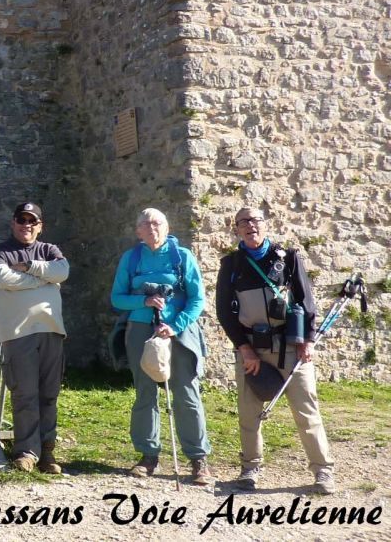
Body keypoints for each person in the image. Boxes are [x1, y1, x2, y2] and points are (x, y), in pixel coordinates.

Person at [215, 207, 335, 494]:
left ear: (265, 225)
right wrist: (244, 348)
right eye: (243, 221)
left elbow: (306, 302)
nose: (250, 226)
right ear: (236, 229)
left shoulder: (289, 258)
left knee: (307, 412)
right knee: (249, 413)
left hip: (292, 349)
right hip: (252, 351)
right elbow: (224, 312)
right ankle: (249, 469)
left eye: (255, 220)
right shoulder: (231, 265)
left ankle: (323, 471)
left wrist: (307, 340)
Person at [110, 208, 213, 486]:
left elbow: (196, 299)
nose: (152, 227)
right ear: (138, 232)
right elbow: (117, 298)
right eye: (145, 224)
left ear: (166, 228)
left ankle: (197, 458)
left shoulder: (183, 257)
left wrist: (175, 326)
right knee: (145, 393)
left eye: (157, 223)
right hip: (140, 331)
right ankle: (147, 455)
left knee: (186, 392)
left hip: (177, 332)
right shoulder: (131, 259)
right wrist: (142, 302)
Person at [0, 203, 69, 473]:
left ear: (40, 226)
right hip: (18, 333)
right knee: (24, 394)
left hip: (51, 330)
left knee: (48, 395)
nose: (27, 225)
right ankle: (26, 452)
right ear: (13, 223)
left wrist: (31, 267)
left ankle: (47, 453)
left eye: (32, 221)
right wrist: (42, 280)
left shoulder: (49, 250)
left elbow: (62, 271)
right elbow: (2, 278)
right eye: (22, 220)